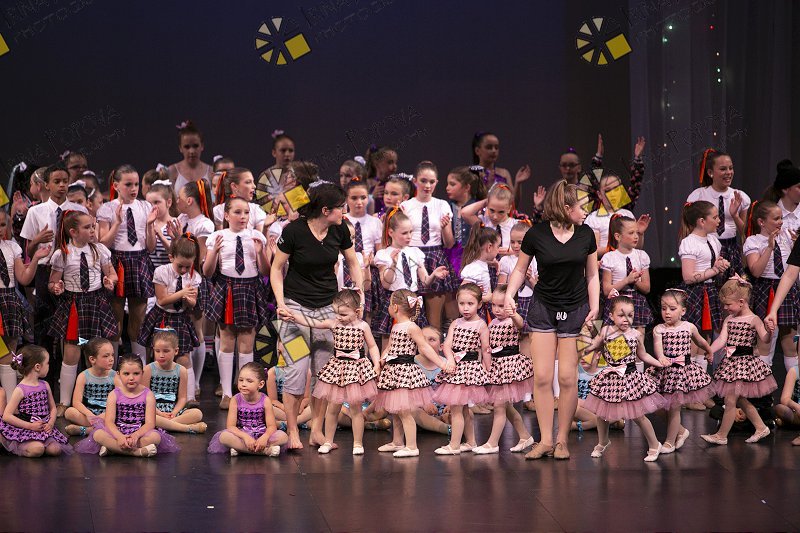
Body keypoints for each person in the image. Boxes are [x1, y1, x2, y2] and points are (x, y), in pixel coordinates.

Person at [503, 179, 600, 460]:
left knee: (568, 377)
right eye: (581, 206)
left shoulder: (586, 234)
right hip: (544, 307)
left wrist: (594, 305)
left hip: (575, 307)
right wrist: (509, 294)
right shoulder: (537, 234)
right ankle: (545, 440)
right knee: (543, 376)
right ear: (566, 207)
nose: (585, 212)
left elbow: (592, 274)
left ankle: (561, 440)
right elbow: (520, 269)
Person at [271, 182, 363, 450]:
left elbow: (352, 261)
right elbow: (276, 269)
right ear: (325, 210)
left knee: (323, 374)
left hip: (328, 308)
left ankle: (316, 430)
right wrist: (281, 303)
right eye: (341, 208)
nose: (344, 212)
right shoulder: (294, 231)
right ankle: (292, 431)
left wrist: (359, 291)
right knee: (296, 371)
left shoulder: (339, 230)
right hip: (294, 308)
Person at [286, 289, 381, 455]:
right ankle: (328, 441)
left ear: (357, 311)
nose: (339, 317)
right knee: (332, 409)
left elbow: (372, 346)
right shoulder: (334, 323)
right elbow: (313, 322)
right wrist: (294, 316)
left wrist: (377, 364)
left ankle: (358, 443)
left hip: (356, 370)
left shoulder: (363, 326)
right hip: (337, 369)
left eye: (343, 314)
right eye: (336, 313)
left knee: (356, 409)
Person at [582, 296, 670, 462]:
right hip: (610, 379)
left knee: (638, 415)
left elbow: (643, 355)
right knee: (602, 414)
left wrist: (659, 362)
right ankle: (603, 442)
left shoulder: (635, 334)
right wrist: (586, 347)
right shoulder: (606, 331)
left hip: (629, 379)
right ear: (611, 315)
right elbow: (594, 345)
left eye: (630, 315)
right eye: (621, 315)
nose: (626, 319)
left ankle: (654, 444)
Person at [204, 197, 271, 409]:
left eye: (246, 213)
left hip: (249, 288)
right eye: (237, 212)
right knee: (226, 339)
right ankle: (226, 392)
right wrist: (214, 252)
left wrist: (260, 253)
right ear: (226, 215)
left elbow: (265, 271)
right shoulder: (218, 237)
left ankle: (245, 391)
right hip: (227, 288)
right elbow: (207, 272)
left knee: (246, 342)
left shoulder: (256, 236)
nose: (243, 217)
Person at [49, 210, 118, 413]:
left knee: (98, 351)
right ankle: (64, 402)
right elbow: (52, 282)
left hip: (95, 304)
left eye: (93, 226)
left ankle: (103, 400)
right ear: (73, 232)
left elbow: (112, 274)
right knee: (72, 353)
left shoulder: (99, 250)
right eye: (87, 227)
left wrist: (110, 281)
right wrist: (56, 287)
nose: (92, 230)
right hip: (74, 306)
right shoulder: (62, 254)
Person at [373, 290, 453, 457]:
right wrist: (381, 360)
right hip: (393, 371)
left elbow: (424, 347)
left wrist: (442, 363)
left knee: (405, 411)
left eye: (389, 304)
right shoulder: (396, 326)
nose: (388, 307)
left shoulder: (412, 327)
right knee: (395, 409)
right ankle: (397, 441)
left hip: (404, 371)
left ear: (395, 307)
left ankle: (411, 446)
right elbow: (390, 347)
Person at [20, 163, 88, 355]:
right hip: (45, 270)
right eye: (57, 181)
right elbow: (29, 251)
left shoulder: (78, 211)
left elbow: (87, 242)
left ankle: (75, 367)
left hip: (72, 270)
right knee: (44, 323)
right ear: (47, 185)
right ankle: (44, 367)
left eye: (65, 181)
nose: (62, 185)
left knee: (75, 322)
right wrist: (37, 240)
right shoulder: (35, 212)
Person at [702, 278, 776, 445]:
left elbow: (764, 339)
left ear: (741, 302)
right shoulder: (729, 319)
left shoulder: (753, 319)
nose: (725, 308)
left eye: (728, 304)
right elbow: (722, 340)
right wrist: (710, 350)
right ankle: (761, 427)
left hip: (745, 365)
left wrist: (770, 332)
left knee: (730, 400)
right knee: (740, 399)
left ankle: (721, 435)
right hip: (731, 363)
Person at [96, 164, 154, 362]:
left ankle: (139, 368)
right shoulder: (107, 208)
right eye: (128, 184)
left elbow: (151, 247)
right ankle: (110, 371)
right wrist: (117, 223)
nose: (134, 189)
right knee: (115, 322)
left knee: (138, 321)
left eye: (136, 184)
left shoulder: (145, 207)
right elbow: (103, 243)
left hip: (139, 261)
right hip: (116, 262)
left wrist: (150, 225)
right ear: (116, 185)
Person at [646, 289, 715, 453]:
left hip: (681, 373)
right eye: (663, 308)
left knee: (674, 408)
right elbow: (658, 347)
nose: (667, 313)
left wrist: (709, 351)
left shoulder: (689, 327)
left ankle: (670, 442)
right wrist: (661, 357)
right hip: (665, 372)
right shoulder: (659, 329)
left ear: (683, 311)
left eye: (672, 309)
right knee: (657, 407)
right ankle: (682, 431)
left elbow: (700, 341)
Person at [74, 354, 179, 457]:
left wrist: (136, 435)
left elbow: (150, 423)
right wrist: (119, 437)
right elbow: (109, 422)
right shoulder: (114, 394)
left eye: (136, 373)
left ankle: (113, 449)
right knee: (98, 434)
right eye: (126, 374)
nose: (131, 378)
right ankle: (137, 452)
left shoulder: (148, 394)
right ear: (118, 374)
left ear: (142, 373)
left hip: (139, 432)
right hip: (118, 431)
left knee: (155, 437)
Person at [139, 235, 202, 401]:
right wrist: (182, 293)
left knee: (184, 359)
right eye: (180, 266)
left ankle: (189, 398)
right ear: (171, 257)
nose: (184, 270)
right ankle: (152, 396)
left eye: (188, 266)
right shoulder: (162, 272)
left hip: (180, 318)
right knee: (158, 357)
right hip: (162, 317)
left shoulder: (194, 277)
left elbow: (193, 303)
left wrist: (189, 300)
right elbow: (162, 300)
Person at [473, 285, 536, 454]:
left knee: (500, 407)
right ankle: (525, 436)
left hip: (509, 367)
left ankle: (492, 443)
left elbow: (521, 325)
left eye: (501, 306)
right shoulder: (493, 322)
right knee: (506, 407)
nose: (496, 309)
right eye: (494, 305)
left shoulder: (512, 320)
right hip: (497, 367)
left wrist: (513, 313)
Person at [372, 209, 448, 343]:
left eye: (411, 232)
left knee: (415, 341)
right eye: (404, 233)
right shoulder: (384, 254)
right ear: (391, 232)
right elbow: (385, 283)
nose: (409, 236)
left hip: (413, 300)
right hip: (395, 301)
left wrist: (434, 275)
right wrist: (393, 264)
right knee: (390, 341)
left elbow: (425, 281)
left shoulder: (415, 252)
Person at [432, 283, 490, 455]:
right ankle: (471, 441)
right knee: (462, 408)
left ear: (479, 304)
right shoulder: (456, 323)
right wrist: (450, 360)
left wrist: (488, 369)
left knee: (457, 408)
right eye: (461, 303)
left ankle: (454, 445)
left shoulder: (481, 325)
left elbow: (486, 349)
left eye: (470, 304)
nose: (465, 308)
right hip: (456, 369)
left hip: (469, 370)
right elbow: (447, 345)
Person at [400, 161, 457, 331]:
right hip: (412, 255)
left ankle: (434, 346)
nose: (427, 185)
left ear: (436, 183)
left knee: (434, 322)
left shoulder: (442, 205)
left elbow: (449, 243)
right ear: (415, 181)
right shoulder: (406, 206)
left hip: (434, 256)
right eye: (423, 181)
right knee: (410, 316)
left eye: (432, 182)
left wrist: (445, 227)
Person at [744, 200, 798, 370]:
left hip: (787, 290)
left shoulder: (787, 237)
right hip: (765, 289)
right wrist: (769, 247)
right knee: (764, 341)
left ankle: (794, 383)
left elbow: (792, 268)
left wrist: (795, 244)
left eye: (781, 218)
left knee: (790, 342)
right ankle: (763, 383)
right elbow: (756, 271)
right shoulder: (753, 241)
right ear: (761, 222)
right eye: (776, 218)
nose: (780, 222)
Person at [0, 210, 48, 401]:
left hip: (8, 299)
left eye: (3, 224)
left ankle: (11, 402)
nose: (0, 228)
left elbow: (24, 278)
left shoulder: (12, 247)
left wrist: (35, 259)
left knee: (10, 350)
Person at [678, 201, 730, 363]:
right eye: (714, 217)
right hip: (696, 292)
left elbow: (714, 265)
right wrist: (714, 270)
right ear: (702, 221)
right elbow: (688, 277)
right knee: (694, 336)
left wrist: (721, 266)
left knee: (706, 337)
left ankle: (701, 375)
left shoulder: (713, 240)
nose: (719, 221)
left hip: (711, 290)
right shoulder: (689, 242)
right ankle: (690, 373)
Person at [0, 345, 72, 457]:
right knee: (38, 449)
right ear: (37, 367)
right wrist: (30, 426)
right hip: (27, 428)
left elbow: (53, 408)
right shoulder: (20, 389)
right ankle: (24, 447)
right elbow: (7, 416)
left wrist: (51, 423)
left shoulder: (45, 385)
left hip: (43, 427)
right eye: (47, 363)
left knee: (55, 450)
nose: (49, 366)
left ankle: (41, 443)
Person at [687, 149, 750, 274]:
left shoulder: (740, 196)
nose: (728, 172)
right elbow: (688, 229)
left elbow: (745, 233)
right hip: (706, 249)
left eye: (731, 168)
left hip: (731, 250)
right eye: (723, 169)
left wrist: (735, 215)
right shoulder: (698, 196)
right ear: (710, 172)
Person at [207, 362, 289, 456]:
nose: (243, 384)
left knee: (284, 436)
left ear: (260, 384)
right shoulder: (235, 400)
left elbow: (271, 426)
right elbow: (231, 426)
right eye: (241, 380)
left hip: (261, 433)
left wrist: (265, 437)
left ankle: (241, 449)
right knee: (224, 437)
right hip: (242, 435)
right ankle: (265, 451)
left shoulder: (265, 400)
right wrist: (245, 437)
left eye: (249, 381)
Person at [142, 329, 206, 434]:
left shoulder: (181, 370)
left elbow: (182, 398)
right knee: (146, 416)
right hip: (153, 410)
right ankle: (186, 427)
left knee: (197, 413)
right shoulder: (148, 369)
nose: (161, 355)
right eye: (157, 351)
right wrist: (159, 413)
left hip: (172, 409)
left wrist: (174, 413)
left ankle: (165, 425)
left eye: (166, 351)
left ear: (175, 351)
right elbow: (145, 397)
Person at [600, 215, 653, 331]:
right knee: (616, 339)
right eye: (631, 233)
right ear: (618, 236)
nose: (636, 236)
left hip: (636, 302)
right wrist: (626, 280)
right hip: (617, 302)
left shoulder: (641, 256)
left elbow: (647, 288)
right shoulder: (610, 258)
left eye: (636, 232)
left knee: (637, 338)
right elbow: (607, 290)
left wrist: (635, 282)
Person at [64, 338, 116, 437]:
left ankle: (86, 430)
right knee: (69, 412)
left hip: (107, 413)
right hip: (89, 413)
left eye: (112, 355)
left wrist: (105, 415)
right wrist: (89, 415)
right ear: (92, 359)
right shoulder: (84, 376)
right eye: (106, 356)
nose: (111, 359)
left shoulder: (115, 376)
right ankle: (100, 427)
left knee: (117, 415)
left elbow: (120, 400)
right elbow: (76, 402)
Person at [459, 223, 501, 313]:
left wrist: (492, 263)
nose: (498, 250)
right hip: (477, 312)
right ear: (489, 247)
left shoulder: (480, 264)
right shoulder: (475, 268)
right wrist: (486, 298)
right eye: (498, 246)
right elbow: (462, 293)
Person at [168, 120, 212, 195]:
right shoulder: (172, 171)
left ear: (202, 146)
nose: (191, 151)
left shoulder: (211, 171)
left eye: (195, 146)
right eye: (187, 147)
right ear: (180, 148)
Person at [365, 146, 398, 214]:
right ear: (376, 163)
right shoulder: (367, 183)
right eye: (390, 162)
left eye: (395, 162)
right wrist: (372, 196)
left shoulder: (396, 183)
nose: (394, 166)